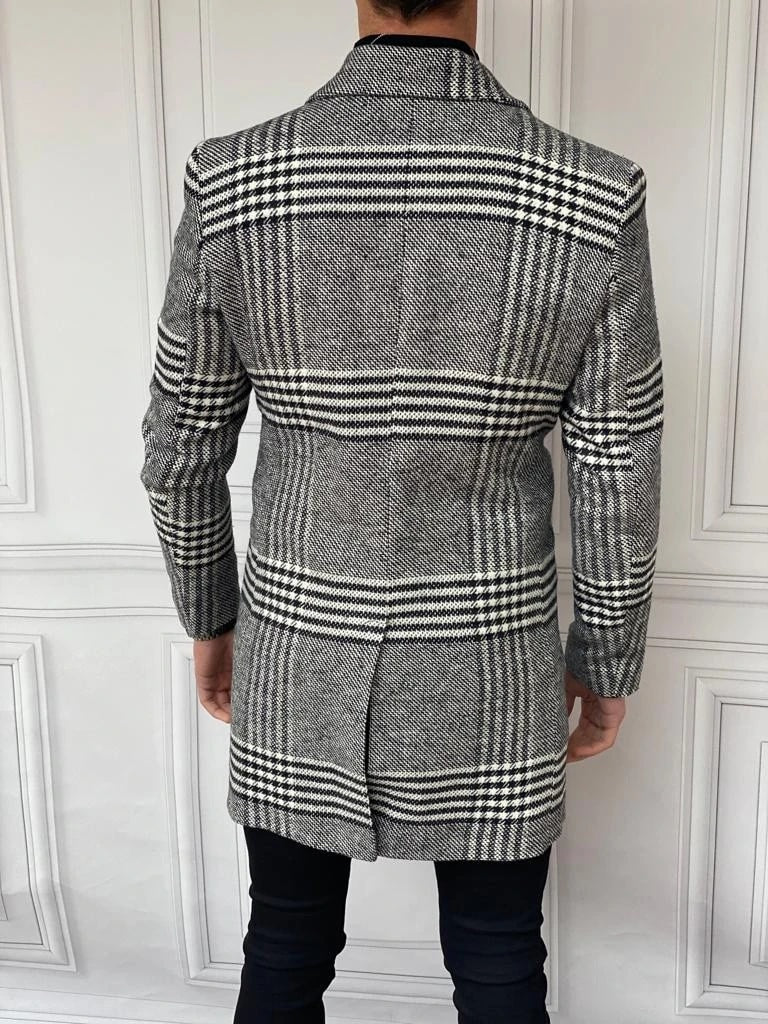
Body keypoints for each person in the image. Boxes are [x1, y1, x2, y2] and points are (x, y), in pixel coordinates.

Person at [139, 0, 664, 1020]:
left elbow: (179, 449)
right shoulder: (591, 194)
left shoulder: (234, 179)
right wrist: (605, 664)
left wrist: (211, 618)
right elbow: (620, 473)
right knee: (500, 958)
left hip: (298, 650)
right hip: (493, 659)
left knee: (284, 941)